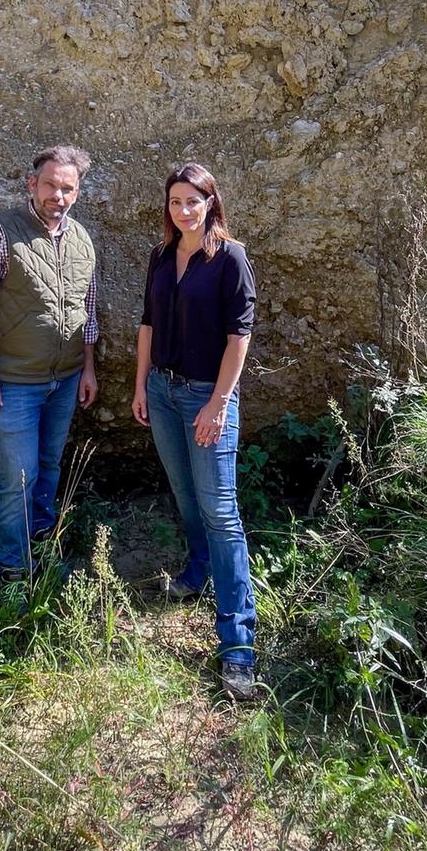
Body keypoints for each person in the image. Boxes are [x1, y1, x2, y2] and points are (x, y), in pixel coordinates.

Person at [132, 162, 259, 699]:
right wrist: (140, 387)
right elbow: (148, 325)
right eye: (175, 201)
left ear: (211, 203)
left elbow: (239, 337)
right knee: (186, 495)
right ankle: (197, 569)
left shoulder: (230, 258)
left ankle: (237, 647)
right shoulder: (162, 256)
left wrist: (218, 403)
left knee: (221, 513)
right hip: (162, 392)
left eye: (193, 201)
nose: (184, 210)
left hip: (206, 399)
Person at [0, 146, 99, 577]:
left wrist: (89, 369)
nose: (57, 195)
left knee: (48, 468)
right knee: (17, 480)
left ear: (76, 193)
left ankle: (41, 548)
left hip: (66, 380)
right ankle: (13, 574)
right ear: (32, 184)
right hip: (15, 383)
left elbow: (87, 309)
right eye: (50, 185)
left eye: (67, 188)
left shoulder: (81, 238)